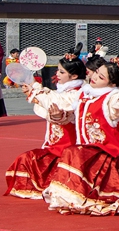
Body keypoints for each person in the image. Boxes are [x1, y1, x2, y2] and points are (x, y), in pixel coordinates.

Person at [39, 60, 119, 216]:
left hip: (108, 154)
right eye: (96, 73)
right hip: (86, 152)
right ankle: (75, 194)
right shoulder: (83, 93)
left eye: (101, 77)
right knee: (73, 152)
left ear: (111, 83)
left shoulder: (112, 98)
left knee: (73, 153)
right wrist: (57, 115)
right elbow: (70, 115)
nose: (94, 78)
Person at [5, 57, 86, 199]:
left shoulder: (77, 94)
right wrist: (33, 90)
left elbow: (55, 103)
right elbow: (50, 101)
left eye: (61, 72)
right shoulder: (62, 92)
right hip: (54, 147)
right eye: (58, 70)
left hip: (69, 150)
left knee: (30, 161)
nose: (57, 74)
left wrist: (35, 90)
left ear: (73, 76)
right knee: (25, 160)